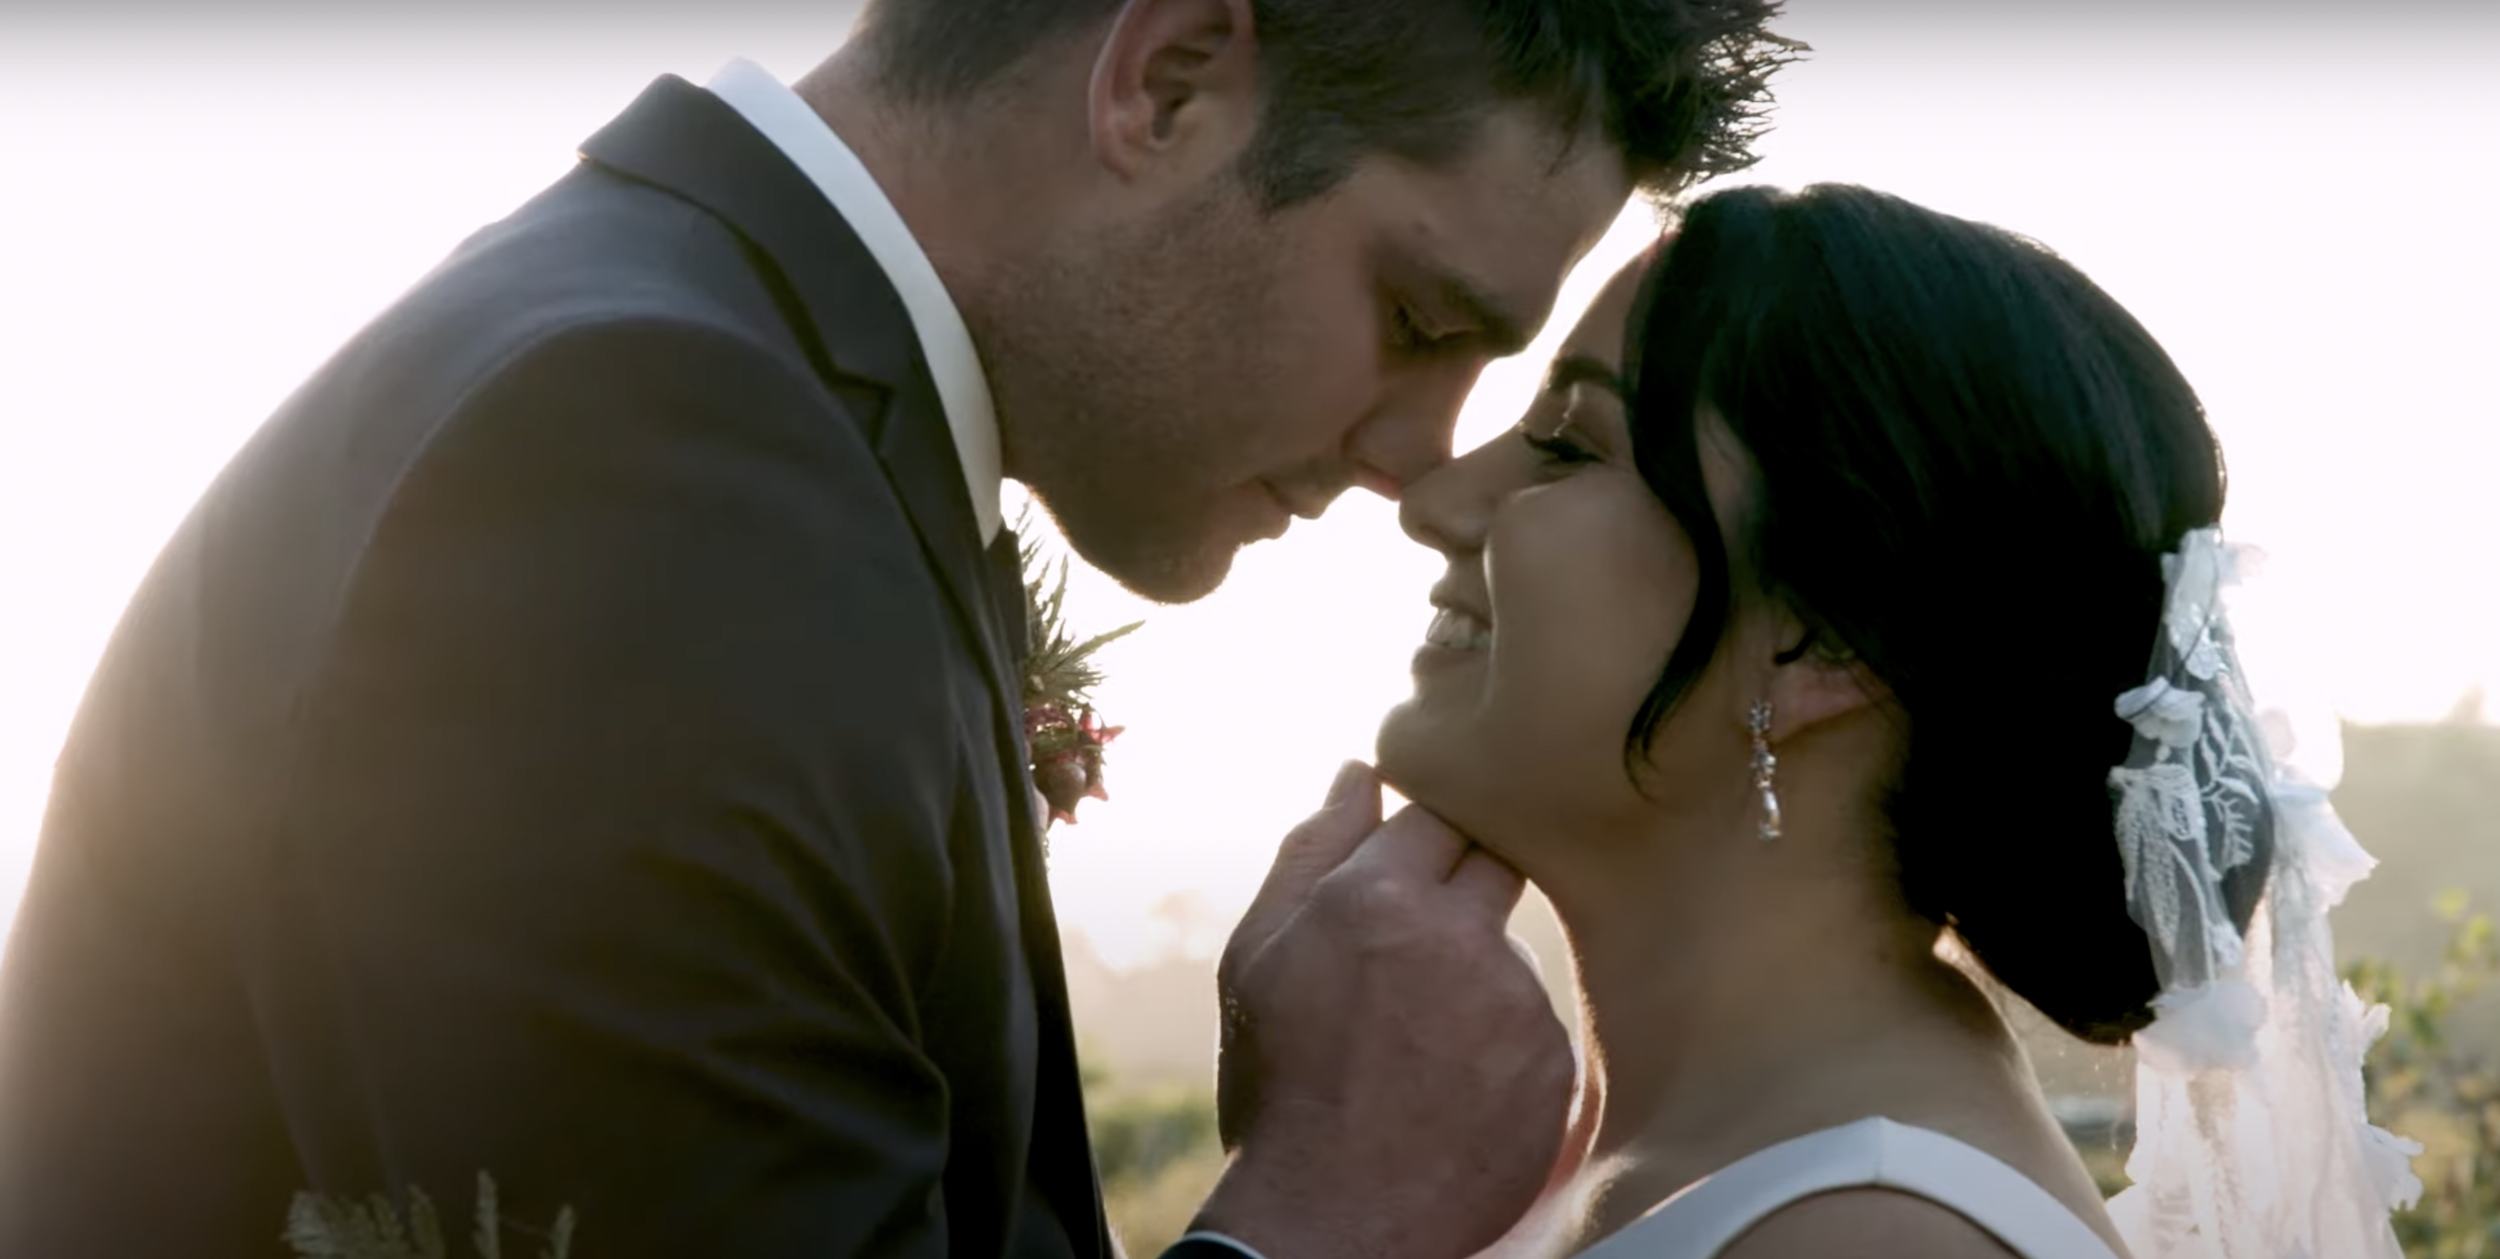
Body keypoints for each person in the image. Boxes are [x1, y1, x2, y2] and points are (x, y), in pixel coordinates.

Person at [0, 3, 1797, 1258]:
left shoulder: (671, 370)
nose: (1423, 452)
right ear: (1167, 79)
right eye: (1417, 314)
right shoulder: (643, 472)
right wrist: (1324, 1210)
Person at [1375, 184, 2419, 1258]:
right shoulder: (1576, 1159)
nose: (1435, 499)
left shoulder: (1870, 1234)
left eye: (1569, 444)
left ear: (1824, 640)